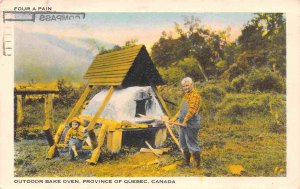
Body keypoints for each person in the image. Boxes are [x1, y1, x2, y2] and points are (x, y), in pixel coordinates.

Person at [172, 77, 201, 168]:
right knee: (183, 143)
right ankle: (186, 163)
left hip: (191, 123)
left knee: (192, 144)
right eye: (184, 86)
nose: (185, 88)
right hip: (183, 124)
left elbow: (192, 111)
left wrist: (185, 121)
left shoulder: (195, 96)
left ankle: (197, 166)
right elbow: (181, 110)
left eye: (187, 85)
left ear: (192, 85)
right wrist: (174, 118)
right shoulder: (185, 96)